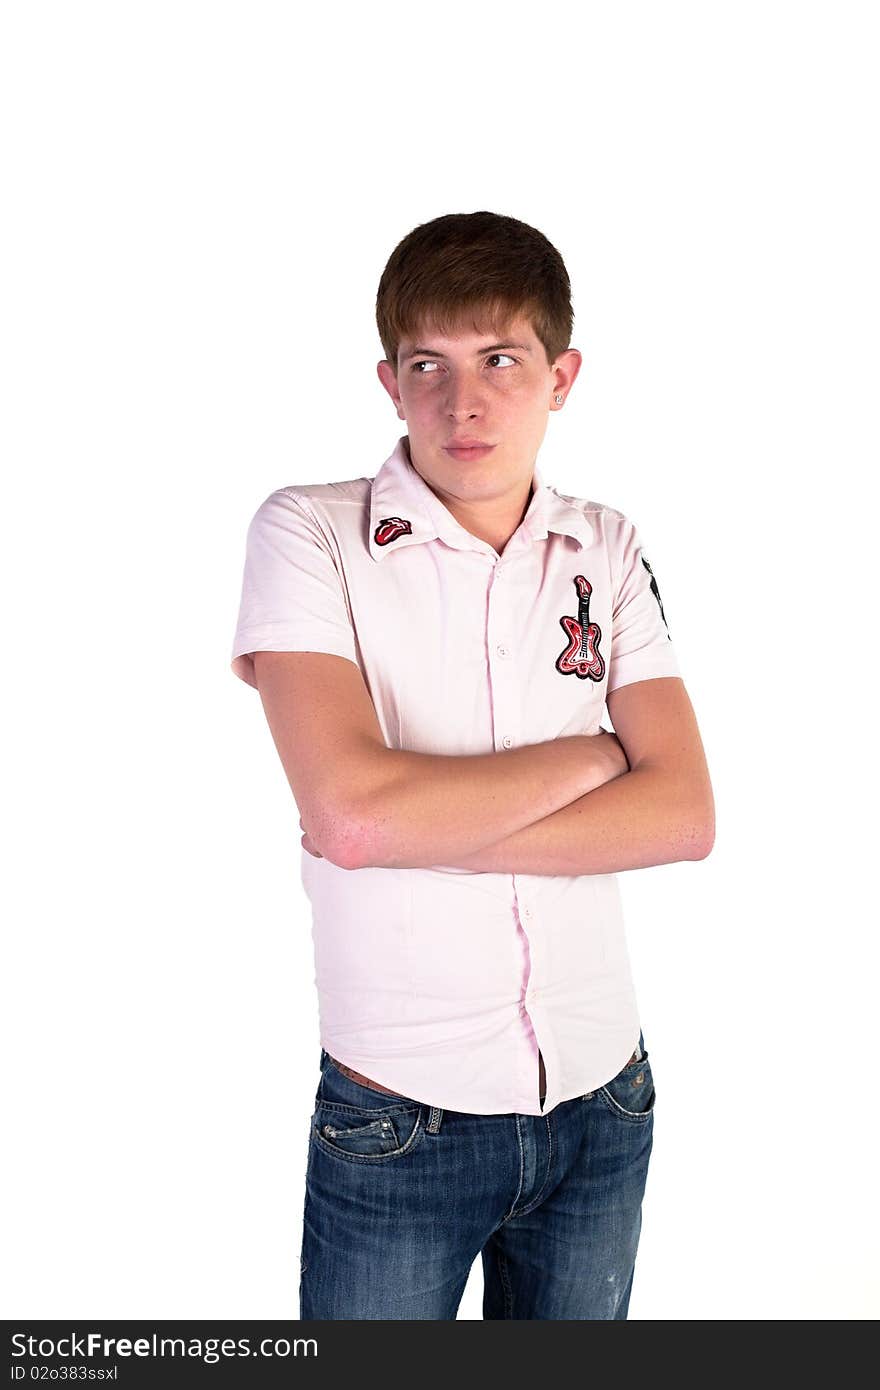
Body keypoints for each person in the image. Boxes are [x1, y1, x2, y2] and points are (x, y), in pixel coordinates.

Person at [230, 210, 715, 1319]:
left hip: (605, 1095)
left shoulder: (608, 546)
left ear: (561, 375)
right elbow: (352, 819)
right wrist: (601, 756)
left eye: (500, 359)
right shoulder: (311, 534)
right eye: (428, 366)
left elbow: (684, 813)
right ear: (389, 383)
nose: (465, 401)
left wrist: (418, 825)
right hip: (401, 1112)